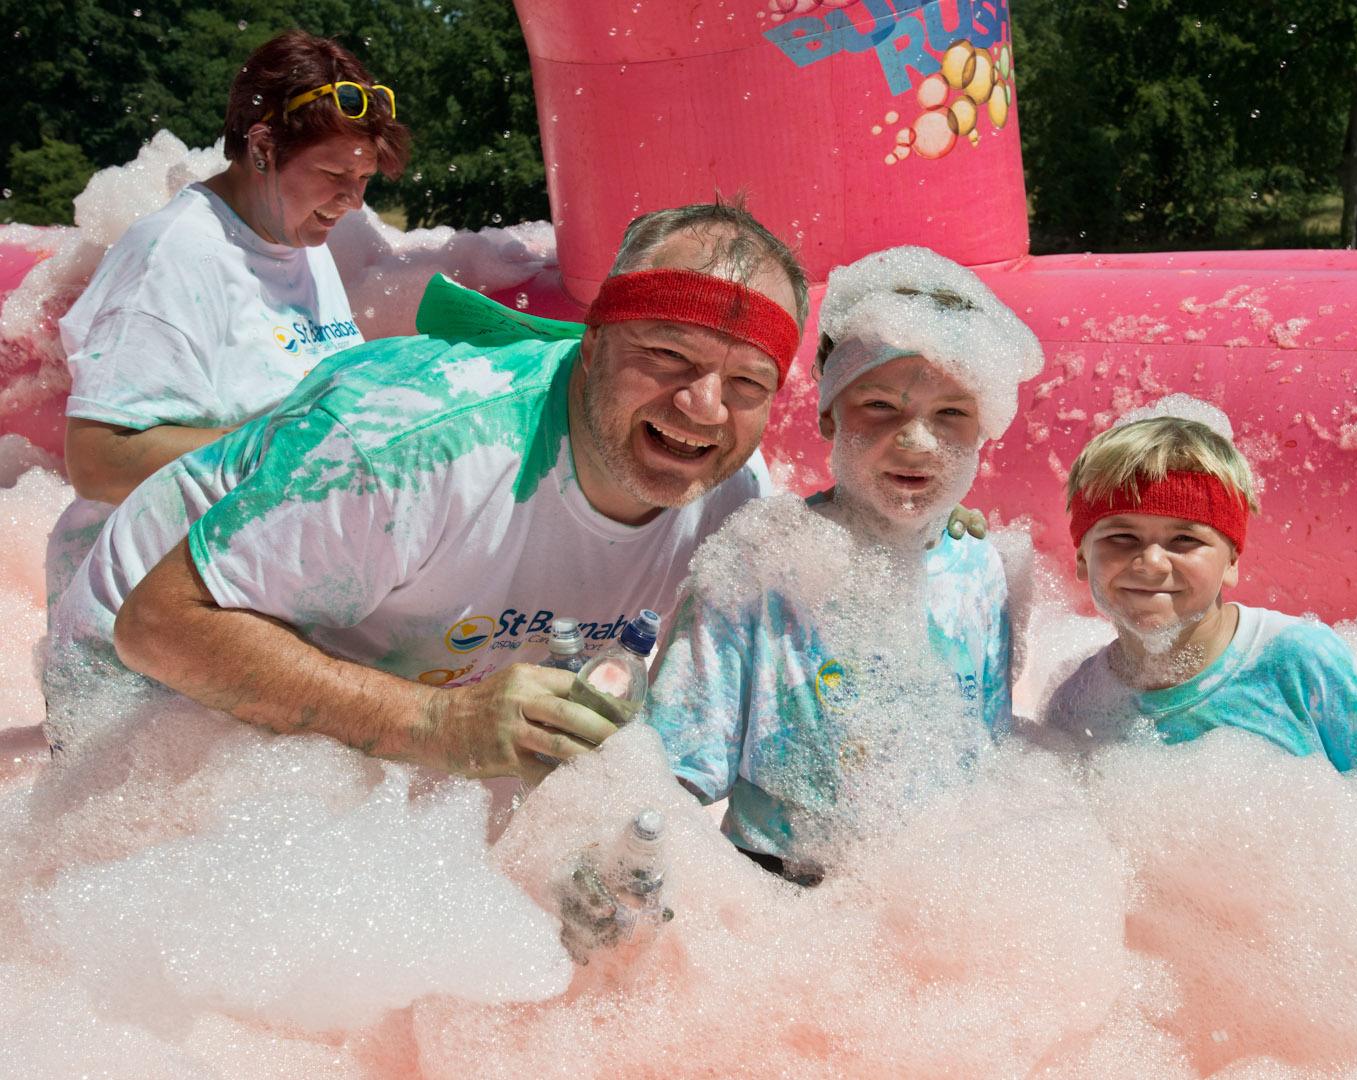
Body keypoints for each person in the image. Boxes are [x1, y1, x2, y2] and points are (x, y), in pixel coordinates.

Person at [45, 201, 812, 784]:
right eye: (668, 355)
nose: (703, 406)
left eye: (746, 381)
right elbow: (161, 626)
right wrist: (434, 722)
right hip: (142, 671)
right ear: (596, 340)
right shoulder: (412, 442)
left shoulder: (729, 501)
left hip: (385, 670)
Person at [643, 247, 1045, 883]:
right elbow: (671, 765)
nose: (916, 441)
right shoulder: (760, 560)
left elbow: (985, 754)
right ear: (829, 416)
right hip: (779, 889)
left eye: (952, 414)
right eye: (880, 406)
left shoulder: (984, 569)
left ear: (984, 428)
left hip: (941, 894)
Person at [46, 30, 409, 601]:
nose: (355, 202)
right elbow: (96, 461)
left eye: (362, 181)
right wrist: (293, 442)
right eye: (336, 177)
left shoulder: (303, 243)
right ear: (262, 149)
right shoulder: (172, 255)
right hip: (140, 613)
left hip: (240, 592)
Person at [1042, 413, 1357, 771]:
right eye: (1122, 537)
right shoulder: (1078, 704)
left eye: (1185, 539)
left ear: (1231, 562)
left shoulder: (1297, 662)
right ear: (1082, 558)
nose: (1152, 562)